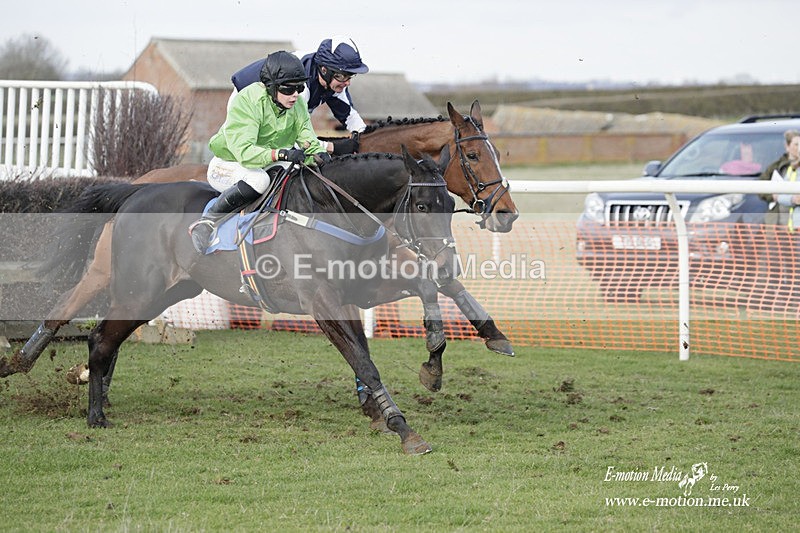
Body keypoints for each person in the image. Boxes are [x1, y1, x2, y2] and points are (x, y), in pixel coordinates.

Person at [189, 51, 329, 254]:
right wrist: (281, 154)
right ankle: (207, 221)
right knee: (259, 181)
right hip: (229, 164)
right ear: (271, 86)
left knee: (296, 172)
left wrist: (319, 155)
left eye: (300, 87)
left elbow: (307, 138)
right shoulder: (248, 101)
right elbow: (245, 153)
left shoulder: (297, 103)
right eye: (289, 89)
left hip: (262, 162)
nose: (296, 94)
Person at [230, 36, 369, 155]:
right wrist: (336, 147)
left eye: (350, 76)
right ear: (325, 70)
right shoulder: (299, 89)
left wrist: (368, 140)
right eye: (343, 76)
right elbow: (298, 139)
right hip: (247, 102)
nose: (347, 83)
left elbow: (352, 118)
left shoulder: (335, 81)